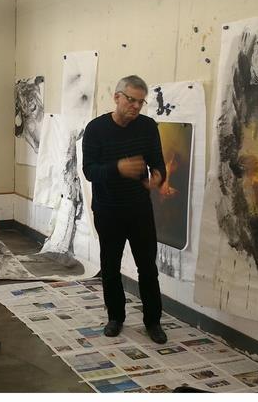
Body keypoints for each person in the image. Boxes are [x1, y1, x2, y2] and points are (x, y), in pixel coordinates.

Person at [82, 75, 168, 344]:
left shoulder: (147, 127)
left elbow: (158, 163)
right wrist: (117, 168)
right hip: (108, 210)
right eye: (131, 100)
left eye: (141, 102)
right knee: (110, 266)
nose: (136, 106)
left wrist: (158, 177)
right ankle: (115, 317)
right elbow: (89, 171)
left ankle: (153, 321)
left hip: (139, 210)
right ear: (117, 97)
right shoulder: (96, 129)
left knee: (148, 268)